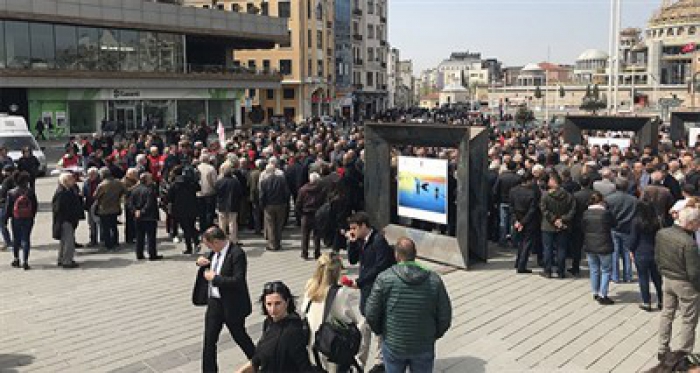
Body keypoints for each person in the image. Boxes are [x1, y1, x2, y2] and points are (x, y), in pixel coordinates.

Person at [365, 238, 452, 373]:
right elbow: (445, 316)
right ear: (415, 254)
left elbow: (371, 313)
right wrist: (433, 335)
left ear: (396, 255)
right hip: (423, 344)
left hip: (394, 344)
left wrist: (382, 332)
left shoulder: (384, 278)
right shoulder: (434, 280)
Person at [194, 227, 255, 372]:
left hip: (231, 304)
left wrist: (216, 279)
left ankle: (258, 362)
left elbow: (238, 281)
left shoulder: (236, 254)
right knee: (209, 341)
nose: (208, 249)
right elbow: (208, 264)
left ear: (216, 242)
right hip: (215, 303)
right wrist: (200, 263)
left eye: (209, 245)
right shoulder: (214, 253)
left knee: (240, 336)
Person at [345, 211, 396, 372]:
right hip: (367, 292)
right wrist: (352, 243)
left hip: (377, 291)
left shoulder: (378, 241)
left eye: (354, 228)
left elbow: (380, 266)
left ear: (363, 226)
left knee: (374, 326)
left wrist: (360, 281)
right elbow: (353, 260)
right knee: (366, 325)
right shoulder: (361, 240)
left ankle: (379, 361)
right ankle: (362, 360)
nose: (352, 231)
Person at [302, 253, 364, 371]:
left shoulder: (310, 284)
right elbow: (350, 319)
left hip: (312, 345)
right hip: (329, 347)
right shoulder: (338, 293)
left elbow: (303, 310)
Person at [236, 281, 314, 373]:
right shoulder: (268, 323)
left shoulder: (293, 331)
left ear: (287, 302)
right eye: (269, 304)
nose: (272, 310)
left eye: (277, 303)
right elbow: (259, 357)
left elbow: (303, 365)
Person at [657, 207, 700, 361]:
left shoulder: (662, 233)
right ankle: (683, 354)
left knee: (667, 314)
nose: (699, 225)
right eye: (697, 222)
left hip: (667, 279)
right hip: (685, 284)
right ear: (691, 223)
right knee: (689, 319)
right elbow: (694, 272)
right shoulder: (689, 243)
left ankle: (662, 348)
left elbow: (658, 257)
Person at [539, 172, 576, 279]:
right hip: (563, 226)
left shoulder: (545, 195)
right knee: (561, 249)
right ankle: (561, 271)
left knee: (547, 249)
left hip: (548, 226)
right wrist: (562, 219)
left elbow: (544, 209)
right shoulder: (569, 196)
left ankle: (548, 270)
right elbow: (572, 210)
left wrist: (554, 219)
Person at [582, 192, 616, 305]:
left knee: (594, 269)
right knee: (606, 270)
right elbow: (614, 224)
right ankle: (603, 294)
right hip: (604, 244)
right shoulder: (605, 213)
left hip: (590, 244)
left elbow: (583, 227)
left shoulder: (586, 213)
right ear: (601, 201)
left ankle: (595, 292)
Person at [629, 201, 663, 312]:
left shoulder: (636, 221)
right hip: (655, 251)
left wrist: (631, 250)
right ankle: (662, 300)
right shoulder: (657, 221)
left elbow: (633, 239)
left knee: (643, 277)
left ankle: (646, 302)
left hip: (641, 251)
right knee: (657, 278)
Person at [605, 177, 638, 283]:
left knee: (614, 252)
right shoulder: (634, 200)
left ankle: (615, 276)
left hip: (614, 228)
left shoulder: (609, 199)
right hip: (628, 228)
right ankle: (628, 276)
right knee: (627, 252)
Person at [5, 172, 38, 270]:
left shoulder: (11, 192)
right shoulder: (30, 192)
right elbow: (35, 206)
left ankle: (16, 259)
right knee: (26, 239)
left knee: (16, 239)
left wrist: (6, 219)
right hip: (28, 218)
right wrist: (32, 216)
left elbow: (8, 208)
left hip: (16, 218)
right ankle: (25, 261)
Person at [508, 172, 539, 274]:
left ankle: (518, 262)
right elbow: (532, 210)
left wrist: (516, 221)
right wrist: (523, 222)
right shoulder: (532, 193)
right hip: (528, 222)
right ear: (529, 181)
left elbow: (511, 207)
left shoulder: (513, 191)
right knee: (527, 243)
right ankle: (521, 265)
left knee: (520, 242)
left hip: (517, 219)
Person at [52, 172, 83, 269]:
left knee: (64, 241)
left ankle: (61, 259)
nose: (73, 181)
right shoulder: (62, 192)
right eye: (71, 179)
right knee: (68, 242)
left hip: (66, 220)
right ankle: (67, 261)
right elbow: (58, 208)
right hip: (65, 220)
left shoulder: (68, 190)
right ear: (65, 181)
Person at [128, 173, 162, 261]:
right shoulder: (149, 190)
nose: (152, 180)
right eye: (150, 178)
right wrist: (142, 212)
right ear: (146, 180)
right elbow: (149, 204)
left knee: (139, 236)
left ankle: (139, 254)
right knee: (151, 237)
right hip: (149, 217)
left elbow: (130, 203)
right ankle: (152, 254)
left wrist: (135, 211)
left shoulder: (134, 190)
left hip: (138, 217)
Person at [259, 163, 291, 251]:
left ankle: (272, 244)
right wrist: (285, 202)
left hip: (269, 205)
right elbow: (287, 192)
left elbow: (262, 196)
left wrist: (262, 206)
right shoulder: (281, 180)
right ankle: (278, 242)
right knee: (279, 224)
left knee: (270, 225)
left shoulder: (264, 182)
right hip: (280, 204)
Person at [94, 167, 126, 250]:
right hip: (115, 207)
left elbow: (95, 196)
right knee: (114, 226)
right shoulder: (118, 182)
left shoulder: (102, 185)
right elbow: (125, 191)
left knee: (106, 227)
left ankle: (108, 244)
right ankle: (115, 242)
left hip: (104, 208)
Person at [296, 172, 326, 260]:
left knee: (305, 235)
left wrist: (300, 213)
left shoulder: (303, 190)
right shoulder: (321, 189)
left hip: (306, 214)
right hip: (317, 214)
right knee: (317, 235)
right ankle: (317, 253)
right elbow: (324, 202)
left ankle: (304, 253)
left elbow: (298, 203)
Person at [571, 174, 596, 277]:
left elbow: (573, 210)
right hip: (592, 222)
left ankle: (575, 267)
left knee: (577, 246)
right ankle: (594, 267)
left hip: (578, 223)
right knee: (593, 246)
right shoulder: (595, 194)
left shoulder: (575, 195)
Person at [493, 160, 521, 247]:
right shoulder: (518, 178)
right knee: (513, 222)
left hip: (503, 201)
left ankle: (502, 240)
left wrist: (495, 201)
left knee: (503, 222)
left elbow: (495, 190)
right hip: (514, 202)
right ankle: (514, 241)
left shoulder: (501, 177)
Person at [214, 164, 243, 244]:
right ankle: (233, 240)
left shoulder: (219, 182)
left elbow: (216, 192)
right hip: (233, 204)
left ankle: (222, 239)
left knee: (222, 223)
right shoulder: (235, 182)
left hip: (221, 204)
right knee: (232, 223)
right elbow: (240, 193)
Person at [197, 155, 218, 232]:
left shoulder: (197, 168)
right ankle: (208, 229)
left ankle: (202, 228)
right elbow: (215, 181)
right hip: (209, 192)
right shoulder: (211, 168)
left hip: (199, 193)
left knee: (201, 213)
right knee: (209, 212)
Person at [82, 167, 101, 247]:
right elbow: (84, 192)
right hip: (89, 205)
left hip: (99, 205)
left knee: (100, 223)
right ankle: (93, 240)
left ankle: (103, 240)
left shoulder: (100, 182)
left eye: (92, 174)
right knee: (91, 224)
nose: (90, 176)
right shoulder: (86, 182)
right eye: (89, 174)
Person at [0, 165, 16, 250]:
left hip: (4, 205)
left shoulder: (7, 181)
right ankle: (17, 241)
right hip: (15, 206)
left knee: (2, 224)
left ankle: (8, 242)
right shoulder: (18, 179)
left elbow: (3, 193)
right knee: (15, 225)